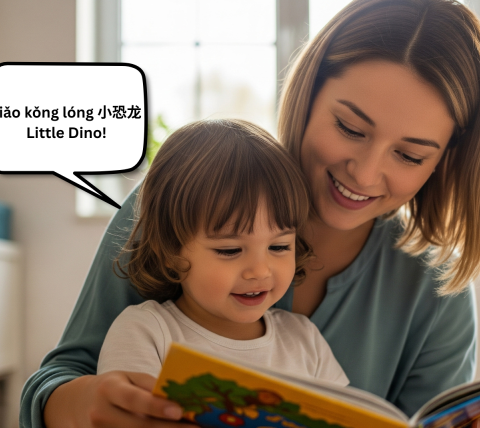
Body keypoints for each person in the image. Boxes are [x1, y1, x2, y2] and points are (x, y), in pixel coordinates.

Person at [21, 0, 480, 427]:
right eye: (349, 127)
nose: (365, 174)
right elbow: (61, 378)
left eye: (409, 155)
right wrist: (85, 404)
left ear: (446, 161)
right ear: (308, 93)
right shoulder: (178, 202)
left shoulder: (433, 285)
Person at [96, 119, 349, 388]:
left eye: (279, 247)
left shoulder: (305, 340)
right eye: (230, 250)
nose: (260, 270)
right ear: (170, 251)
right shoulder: (145, 332)